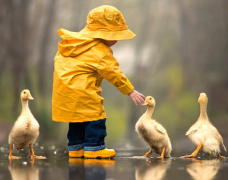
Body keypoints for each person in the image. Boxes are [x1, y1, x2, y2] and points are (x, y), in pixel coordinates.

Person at [52, 5, 145, 159]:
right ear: (102, 34)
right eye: (115, 35)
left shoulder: (70, 44)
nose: (117, 40)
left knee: (76, 119)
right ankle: (95, 148)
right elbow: (114, 73)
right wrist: (130, 90)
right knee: (96, 116)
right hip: (84, 92)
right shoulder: (100, 51)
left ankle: (76, 148)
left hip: (64, 93)